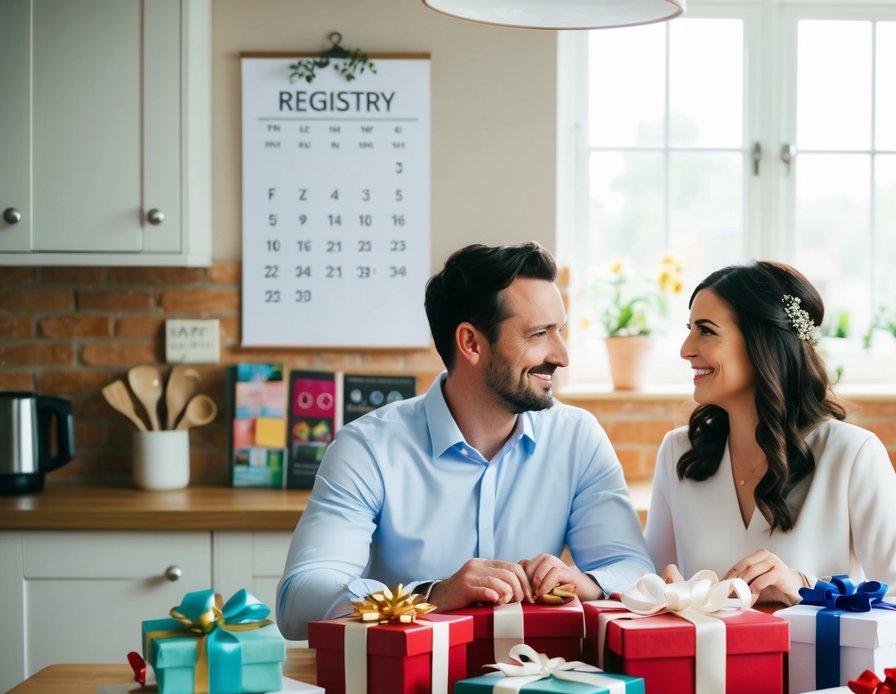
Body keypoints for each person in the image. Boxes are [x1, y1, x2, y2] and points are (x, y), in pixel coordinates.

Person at [277, 241, 654, 640]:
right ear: (471, 343)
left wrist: (588, 583)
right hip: (404, 690)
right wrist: (432, 595)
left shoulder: (577, 438)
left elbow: (633, 571)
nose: (561, 356)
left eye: (559, 331)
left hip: (540, 682)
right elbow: (299, 603)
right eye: (539, 334)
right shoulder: (367, 448)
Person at [644, 260, 896, 666]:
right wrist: (658, 594)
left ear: (761, 343)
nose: (686, 350)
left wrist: (807, 590)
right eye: (689, 330)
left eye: (706, 331)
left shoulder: (851, 455)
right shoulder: (678, 455)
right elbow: (643, 595)